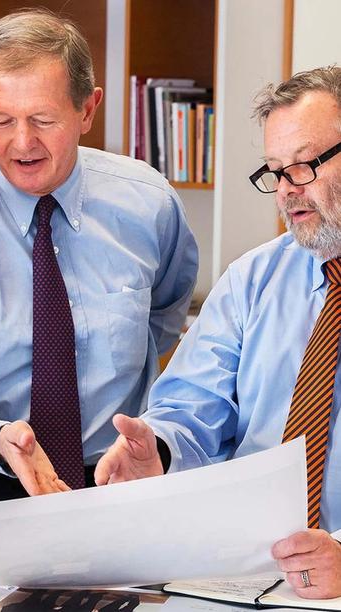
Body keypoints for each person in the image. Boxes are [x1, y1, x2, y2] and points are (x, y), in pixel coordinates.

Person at [0, 8, 197, 570]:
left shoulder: (148, 203)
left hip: (119, 483)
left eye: (43, 119)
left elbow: (166, 309)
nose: (21, 142)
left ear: (87, 109)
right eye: (1, 120)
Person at [95, 66, 341, 600]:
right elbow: (191, 407)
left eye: (302, 167)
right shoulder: (254, 279)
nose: (285, 192)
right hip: (243, 579)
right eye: (274, 172)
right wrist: (156, 449)